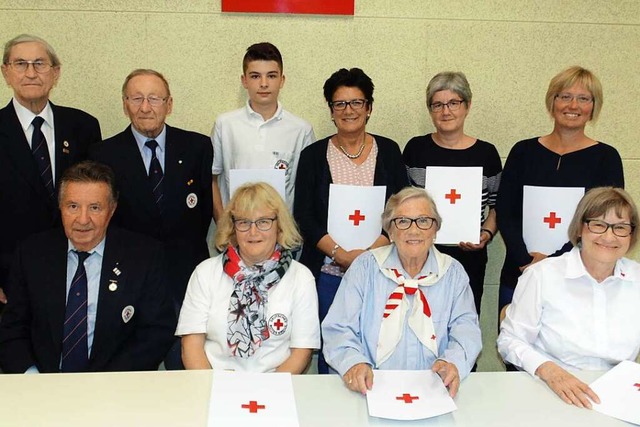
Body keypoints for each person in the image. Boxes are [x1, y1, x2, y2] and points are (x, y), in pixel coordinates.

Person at [0, 161, 176, 373]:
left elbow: (156, 334)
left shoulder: (145, 256)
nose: (83, 220)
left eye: (95, 208)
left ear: (112, 210)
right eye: (73, 206)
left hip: (116, 387)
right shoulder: (31, 254)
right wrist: (32, 378)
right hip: (42, 385)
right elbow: (12, 329)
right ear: (60, 206)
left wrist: (103, 385)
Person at [89, 69, 213, 369]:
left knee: (185, 363)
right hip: (129, 276)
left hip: (186, 275)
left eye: (154, 98)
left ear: (169, 104)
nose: (146, 107)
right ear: (125, 103)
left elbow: (204, 212)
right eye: (137, 98)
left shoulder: (197, 147)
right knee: (132, 367)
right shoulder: (102, 154)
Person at [294, 67, 409, 373]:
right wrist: (341, 255)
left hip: (382, 272)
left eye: (356, 102)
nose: (348, 111)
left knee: (380, 347)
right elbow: (303, 215)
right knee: (332, 352)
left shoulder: (389, 150)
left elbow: (401, 209)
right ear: (331, 111)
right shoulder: (313, 155)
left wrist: (370, 255)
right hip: (328, 273)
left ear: (369, 108)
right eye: (340, 104)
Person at [322, 187, 481, 396]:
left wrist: (451, 363)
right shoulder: (365, 268)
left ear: (435, 230)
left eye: (423, 221)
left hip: (434, 389)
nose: (414, 230)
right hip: (370, 388)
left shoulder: (453, 273)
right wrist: (355, 363)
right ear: (390, 231)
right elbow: (339, 328)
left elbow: (466, 331)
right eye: (403, 221)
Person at [497, 187, 640, 409]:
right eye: (598, 224)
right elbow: (510, 340)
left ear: (631, 235)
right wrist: (548, 370)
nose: (609, 236)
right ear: (580, 229)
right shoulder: (542, 275)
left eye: (620, 227)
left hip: (618, 394)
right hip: (551, 389)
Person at [496, 66, 624, 311]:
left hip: (577, 276)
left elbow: (604, 221)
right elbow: (505, 209)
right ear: (551, 102)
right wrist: (525, 260)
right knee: (515, 344)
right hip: (520, 271)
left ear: (593, 107)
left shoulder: (606, 159)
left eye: (583, 98)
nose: (573, 106)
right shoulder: (523, 152)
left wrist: (553, 262)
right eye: (564, 96)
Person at [0, 34, 101, 306]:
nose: (31, 73)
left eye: (40, 64)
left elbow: (99, 199)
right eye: (20, 64)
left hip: (79, 270)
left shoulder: (83, 126)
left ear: (55, 73)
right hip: (10, 275)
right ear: (6, 72)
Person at [176, 182, 320, 373]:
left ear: (279, 225)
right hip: (214, 383)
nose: (253, 232)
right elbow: (191, 347)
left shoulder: (301, 277)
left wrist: (268, 394)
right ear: (232, 227)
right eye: (243, 222)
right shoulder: (205, 273)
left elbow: (301, 352)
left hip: (276, 386)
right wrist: (213, 390)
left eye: (263, 222)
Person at [403, 71, 502, 314]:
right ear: (430, 110)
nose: (446, 111)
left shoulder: (486, 154)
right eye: (438, 105)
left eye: (453, 103)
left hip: (470, 257)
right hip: (420, 256)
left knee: (463, 322)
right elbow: (402, 203)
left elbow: (498, 205)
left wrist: (486, 235)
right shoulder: (416, 149)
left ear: (467, 106)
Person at [211, 42, 315, 220]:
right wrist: (224, 225)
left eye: (272, 76)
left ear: (282, 80)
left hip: (284, 238)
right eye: (255, 76)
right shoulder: (225, 124)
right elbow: (211, 179)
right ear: (244, 80)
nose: (264, 84)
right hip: (236, 233)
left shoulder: (301, 130)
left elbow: (308, 189)